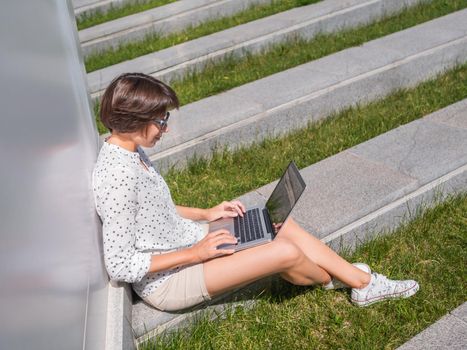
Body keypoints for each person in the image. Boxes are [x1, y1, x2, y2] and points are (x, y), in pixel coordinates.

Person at [92, 73, 419, 312]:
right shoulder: (117, 176)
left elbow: (154, 208)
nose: (166, 128)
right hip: (168, 283)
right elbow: (121, 266)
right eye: (161, 120)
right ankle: (349, 279)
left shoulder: (131, 150)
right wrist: (197, 254)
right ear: (135, 119)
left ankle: (358, 282)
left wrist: (207, 214)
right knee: (286, 252)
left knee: (276, 224)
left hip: (188, 240)